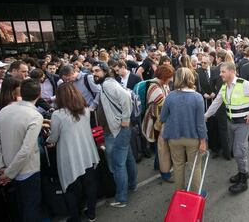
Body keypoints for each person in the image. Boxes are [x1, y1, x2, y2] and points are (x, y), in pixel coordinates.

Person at [205, 62, 249, 194]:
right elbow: (216, 103)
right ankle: (242, 172)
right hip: (230, 123)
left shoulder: (243, 84)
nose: (220, 74)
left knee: (239, 151)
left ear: (231, 72)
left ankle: (243, 180)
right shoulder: (224, 86)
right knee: (236, 150)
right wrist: (206, 116)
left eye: (223, 72)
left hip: (242, 124)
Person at [47, 83, 100, 222]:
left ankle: (75, 217)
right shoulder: (85, 109)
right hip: (87, 151)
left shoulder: (57, 114)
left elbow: (53, 137)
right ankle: (92, 213)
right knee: (90, 184)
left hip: (69, 154)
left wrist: (48, 136)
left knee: (71, 187)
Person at [0, 79, 43, 222]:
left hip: (7, 167)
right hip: (27, 170)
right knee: (31, 207)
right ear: (39, 94)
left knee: (18, 207)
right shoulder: (35, 116)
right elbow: (26, 150)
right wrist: (8, 173)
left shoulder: (4, 111)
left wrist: (0, 166)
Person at [92, 61, 136, 208]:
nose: (94, 73)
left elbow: (126, 97)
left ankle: (121, 198)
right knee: (128, 157)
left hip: (117, 130)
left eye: (97, 71)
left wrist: (125, 119)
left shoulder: (108, 85)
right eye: (93, 71)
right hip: (117, 129)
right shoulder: (106, 85)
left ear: (105, 71)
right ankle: (132, 184)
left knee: (118, 165)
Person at [160, 68, 207, 193]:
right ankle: (195, 195)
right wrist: (203, 141)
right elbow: (200, 123)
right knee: (195, 166)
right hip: (193, 138)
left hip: (174, 138)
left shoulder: (170, 96)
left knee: (178, 165)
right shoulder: (198, 97)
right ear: (191, 78)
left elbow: (163, 117)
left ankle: (179, 193)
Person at [142, 65, 175, 182]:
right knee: (162, 148)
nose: (171, 79)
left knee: (159, 147)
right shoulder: (155, 87)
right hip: (156, 122)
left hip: (159, 121)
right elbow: (166, 103)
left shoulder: (162, 85)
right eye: (169, 77)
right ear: (164, 77)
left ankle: (158, 166)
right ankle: (164, 173)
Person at [209, 49, 231, 160]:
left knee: (222, 128)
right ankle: (229, 151)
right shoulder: (231, 68)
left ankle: (226, 152)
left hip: (220, 103)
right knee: (231, 127)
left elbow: (212, 87)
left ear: (218, 58)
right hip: (232, 102)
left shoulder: (215, 70)